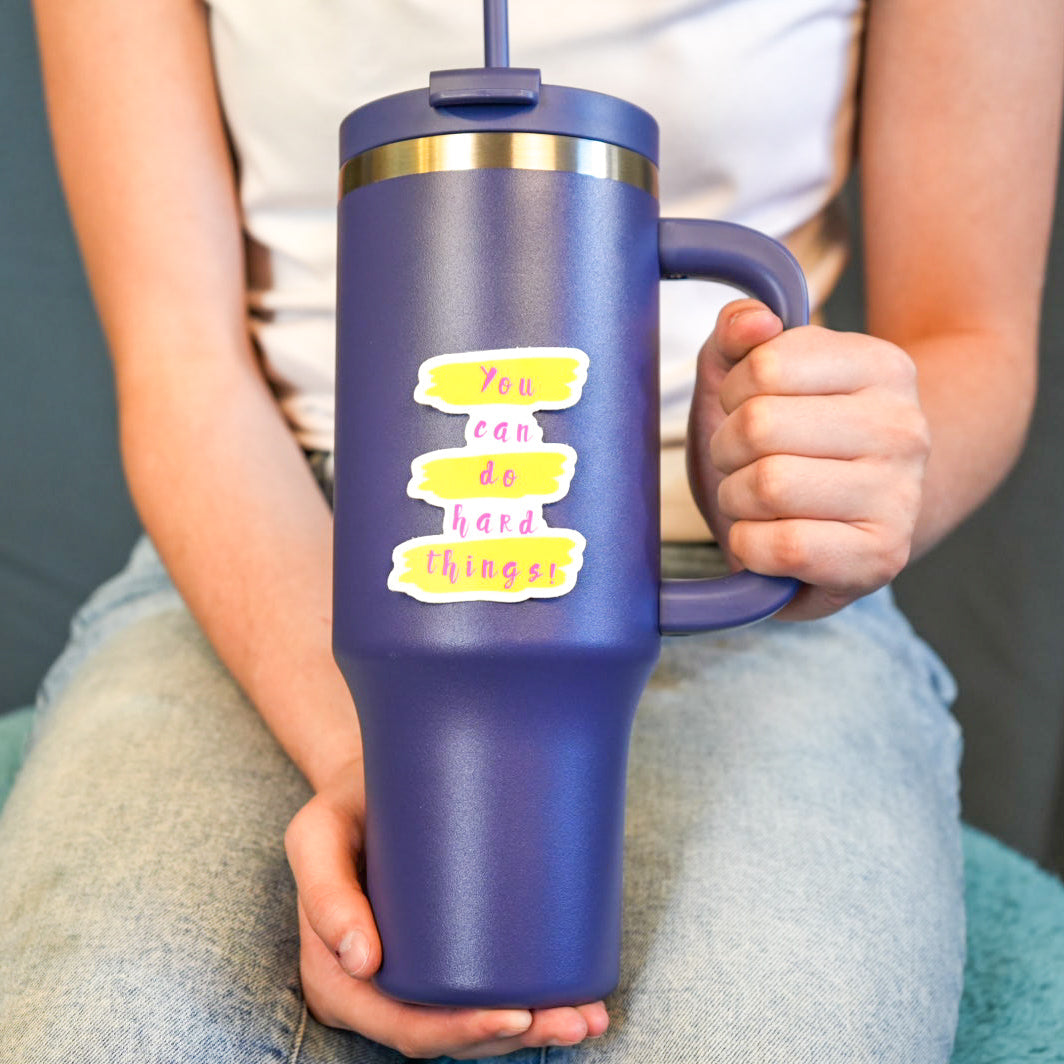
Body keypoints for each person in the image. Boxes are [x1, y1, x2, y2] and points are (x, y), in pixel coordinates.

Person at [1, 1, 1061, 1061]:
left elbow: (967, 333)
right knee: (105, 1025)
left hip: (736, 569)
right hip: (263, 538)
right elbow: (179, 361)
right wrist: (377, 754)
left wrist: (808, 488)